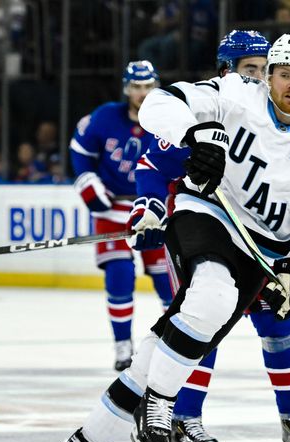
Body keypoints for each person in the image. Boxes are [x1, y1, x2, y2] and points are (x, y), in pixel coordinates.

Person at [37, 34, 290, 442]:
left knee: (172, 344)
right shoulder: (231, 97)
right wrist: (180, 159)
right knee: (210, 299)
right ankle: (170, 409)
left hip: (265, 250)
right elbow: (158, 114)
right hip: (206, 215)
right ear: (267, 76)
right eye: (282, 73)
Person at [126, 30, 290, 442]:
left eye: (265, 70)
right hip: (212, 238)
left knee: (278, 325)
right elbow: (153, 163)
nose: (262, 79)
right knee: (206, 323)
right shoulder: (214, 106)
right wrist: (150, 206)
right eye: (251, 70)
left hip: (265, 247)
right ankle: (183, 422)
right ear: (226, 71)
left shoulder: (273, 118)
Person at [70, 60, 173, 371]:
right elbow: (80, 150)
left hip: (155, 209)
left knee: (166, 281)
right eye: (137, 87)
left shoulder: (170, 119)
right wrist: (86, 180)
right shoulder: (104, 117)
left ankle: (173, 343)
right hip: (113, 209)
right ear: (127, 89)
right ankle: (122, 346)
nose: (142, 93)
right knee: (119, 275)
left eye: (148, 87)